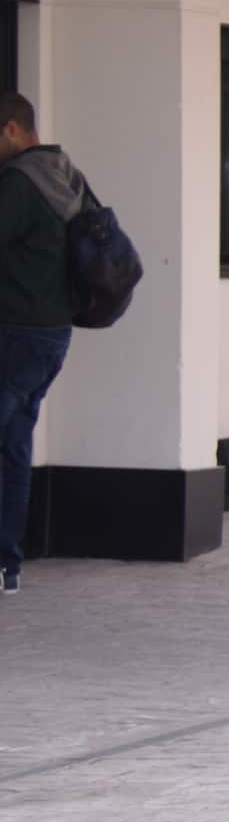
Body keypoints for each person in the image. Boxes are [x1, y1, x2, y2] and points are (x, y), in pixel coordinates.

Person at [0, 93, 79, 597]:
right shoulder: (65, 174)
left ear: (10, 129)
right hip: (52, 334)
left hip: (14, 333)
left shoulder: (18, 183)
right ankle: (8, 565)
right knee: (13, 448)